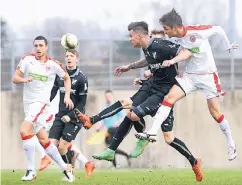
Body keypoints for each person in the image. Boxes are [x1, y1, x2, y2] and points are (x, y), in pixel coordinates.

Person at [76, 21, 203, 181]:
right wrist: (129, 67)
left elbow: (187, 52)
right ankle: (100, 134)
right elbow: (148, 61)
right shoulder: (147, 47)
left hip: (164, 94)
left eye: (131, 36)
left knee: (168, 138)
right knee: (126, 105)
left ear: (139, 35)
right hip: (151, 86)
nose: (129, 40)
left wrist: (173, 61)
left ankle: (194, 161)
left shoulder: (162, 45)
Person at [136, 9, 237, 162]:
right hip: (190, 77)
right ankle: (152, 131)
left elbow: (218, 29)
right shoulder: (175, 40)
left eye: (166, 29)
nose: (166, 32)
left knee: (215, 113)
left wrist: (227, 45)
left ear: (175, 27)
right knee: (169, 98)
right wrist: (152, 71)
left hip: (208, 76)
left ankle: (230, 142)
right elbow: (175, 53)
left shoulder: (197, 32)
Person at [12, 36, 75, 182]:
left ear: (46, 47)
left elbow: (66, 78)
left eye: (41, 45)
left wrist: (66, 96)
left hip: (41, 104)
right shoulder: (27, 59)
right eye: (36, 46)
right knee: (43, 140)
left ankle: (30, 170)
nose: (38, 48)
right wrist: (24, 80)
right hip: (28, 104)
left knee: (24, 131)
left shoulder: (53, 64)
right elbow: (15, 78)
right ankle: (65, 167)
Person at [48, 49, 95, 180]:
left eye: (71, 56)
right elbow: (52, 93)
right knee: (51, 146)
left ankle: (69, 174)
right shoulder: (60, 75)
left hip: (75, 117)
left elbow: (82, 103)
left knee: (62, 147)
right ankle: (72, 155)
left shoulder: (82, 78)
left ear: (77, 59)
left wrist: (70, 115)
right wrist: (44, 104)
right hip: (60, 115)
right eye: (67, 56)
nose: (68, 58)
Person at [95, 90, 131, 168]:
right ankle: (124, 157)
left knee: (110, 148)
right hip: (108, 130)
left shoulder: (116, 106)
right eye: (106, 96)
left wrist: (117, 123)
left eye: (109, 96)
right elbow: (103, 119)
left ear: (112, 96)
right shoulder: (104, 107)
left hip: (115, 129)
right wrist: (99, 127)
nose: (108, 98)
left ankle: (115, 165)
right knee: (110, 148)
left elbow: (123, 117)